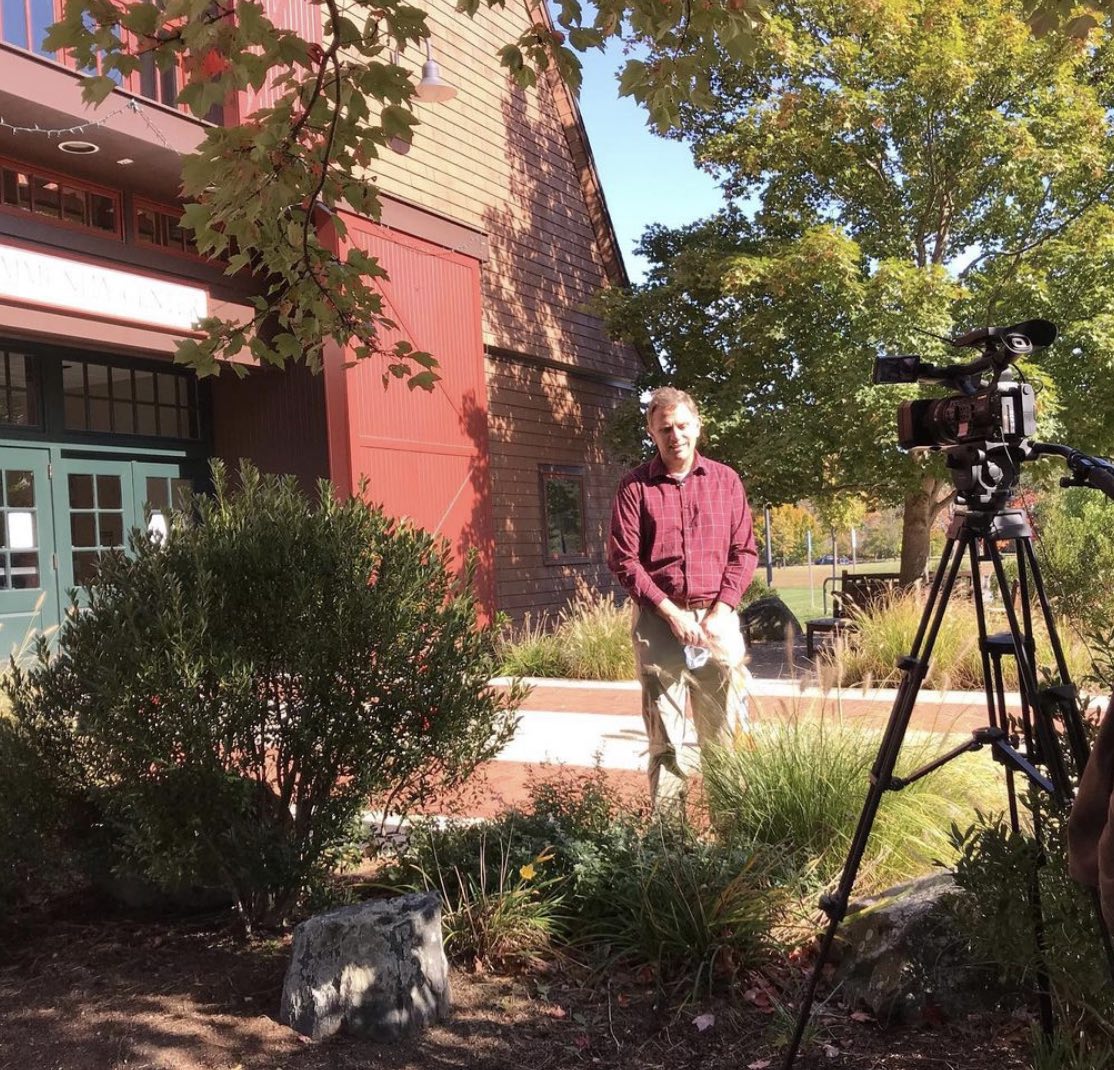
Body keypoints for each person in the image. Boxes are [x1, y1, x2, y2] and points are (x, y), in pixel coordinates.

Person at [607, 387, 758, 806]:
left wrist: (720, 610)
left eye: (682, 426)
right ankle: (671, 849)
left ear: (697, 426)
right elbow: (624, 560)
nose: (675, 436)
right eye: (665, 429)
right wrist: (672, 614)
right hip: (659, 621)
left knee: (723, 737)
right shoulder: (635, 487)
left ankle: (732, 838)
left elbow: (744, 551)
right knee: (666, 739)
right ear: (652, 433)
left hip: (717, 621)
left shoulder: (725, 481)